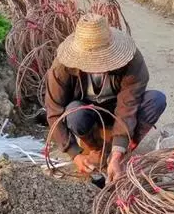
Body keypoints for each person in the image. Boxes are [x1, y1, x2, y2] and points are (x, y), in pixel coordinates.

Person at [45, 13, 166, 182]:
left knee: (156, 100)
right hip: (86, 111)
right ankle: (96, 148)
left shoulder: (131, 61)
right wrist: (74, 154)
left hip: (118, 109)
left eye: (102, 61)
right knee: (74, 112)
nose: (97, 66)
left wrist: (117, 153)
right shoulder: (62, 68)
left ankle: (125, 148)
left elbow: (128, 107)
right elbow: (54, 112)